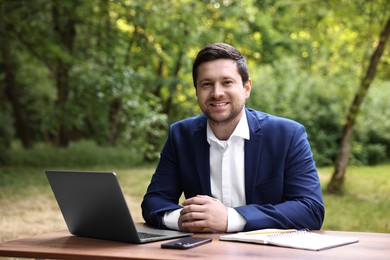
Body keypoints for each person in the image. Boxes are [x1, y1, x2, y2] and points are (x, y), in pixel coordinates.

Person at [141, 43, 324, 233]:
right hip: (202, 252)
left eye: (227, 82)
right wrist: (187, 219)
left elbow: (311, 209)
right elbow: (154, 202)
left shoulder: (287, 135)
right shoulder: (180, 136)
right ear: (196, 91)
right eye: (207, 84)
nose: (217, 93)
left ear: (246, 88)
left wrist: (231, 218)